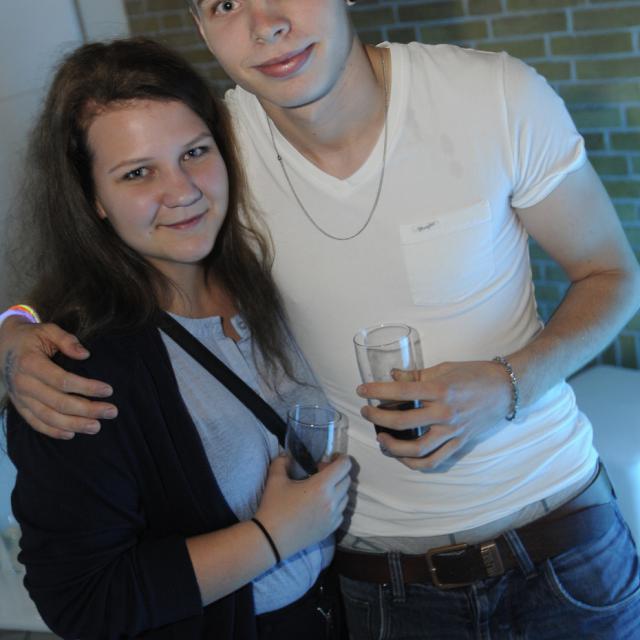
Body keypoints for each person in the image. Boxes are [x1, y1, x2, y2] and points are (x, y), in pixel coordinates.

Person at [2, 1, 640, 638]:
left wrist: (508, 383)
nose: (265, 24)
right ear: (201, 25)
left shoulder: (493, 94)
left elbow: (613, 274)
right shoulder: (217, 147)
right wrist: (14, 328)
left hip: (563, 540)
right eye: (226, 3)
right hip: (381, 584)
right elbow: (96, 259)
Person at [3, 37, 352, 640]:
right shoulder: (75, 369)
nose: (183, 190)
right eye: (138, 173)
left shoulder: (263, 276)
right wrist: (272, 536)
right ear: (93, 199)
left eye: (194, 152)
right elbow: (85, 602)